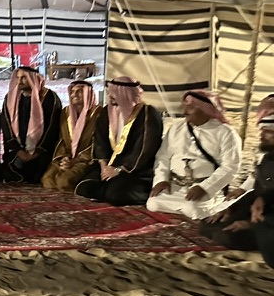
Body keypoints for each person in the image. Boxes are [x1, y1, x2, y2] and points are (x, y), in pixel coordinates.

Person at [147, 91, 242, 219]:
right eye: (185, 107)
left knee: (191, 209)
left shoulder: (226, 133)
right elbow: (163, 156)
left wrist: (205, 188)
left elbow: (230, 167)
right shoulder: (176, 128)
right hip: (176, 186)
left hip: (205, 188)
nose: (185, 111)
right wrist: (161, 179)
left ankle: (213, 204)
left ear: (205, 110)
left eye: (190, 108)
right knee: (153, 204)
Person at [74, 76, 164, 206]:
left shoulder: (148, 114)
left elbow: (144, 150)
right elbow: (100, 141)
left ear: (124, 93)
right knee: (84, 187)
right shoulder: (107, 111)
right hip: (109, 165)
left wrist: (118, 170)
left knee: (115, 194)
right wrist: (104, 166)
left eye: (114, 93)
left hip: (135, 170)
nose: (110, 96)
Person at [200, 115, 274, 267]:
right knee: (208, 225)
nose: (261, 135)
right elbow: (256, 192)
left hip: (268, 218)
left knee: (228, 236)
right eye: (262, 131)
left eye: (267, 132)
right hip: (258, 210)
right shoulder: (268, 158)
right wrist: (230, 208)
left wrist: (249, 224)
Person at [1, 66, 62, 184]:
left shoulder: (49, 97)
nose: (19, 82)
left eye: (24, 78)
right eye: (18, 78)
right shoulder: (10, 97)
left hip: (41, 151)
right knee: (7, 170)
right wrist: (18, 150)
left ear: (34, 78)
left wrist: (37, 151)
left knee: (37, 174)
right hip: (17, 149)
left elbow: (52, 127)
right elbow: (6, 124)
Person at [41, 80, 101, 191]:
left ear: (89, 94)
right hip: (66, 156)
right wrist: (64, 158)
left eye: (79, 92)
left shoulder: (99, 113)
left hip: (87, 160)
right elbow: (61, 139)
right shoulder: (65, 112)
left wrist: (76, 160)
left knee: (64, 182)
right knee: (47, 180)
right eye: (72, 92)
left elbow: (98, 143)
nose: (74, 95)